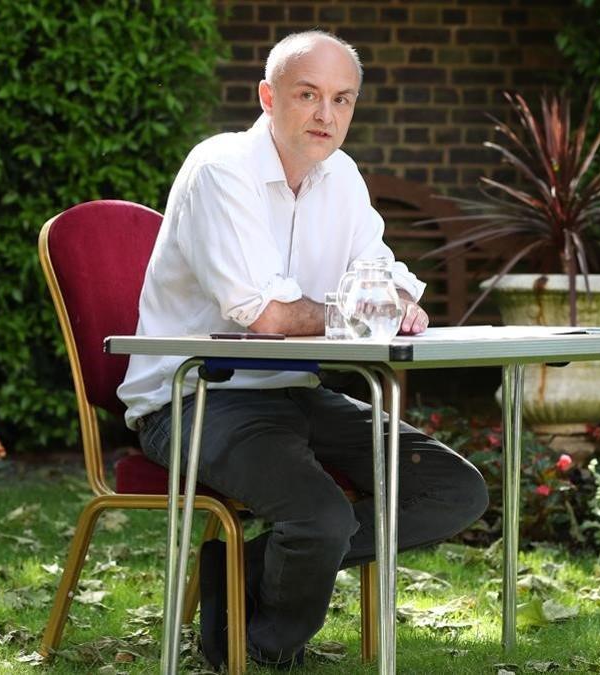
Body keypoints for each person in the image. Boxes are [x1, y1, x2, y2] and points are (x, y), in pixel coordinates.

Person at [116, 31, 489, 669]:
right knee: (320, 519)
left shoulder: (339, 175)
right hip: (197, 397)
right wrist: (364, 310)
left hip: (295, 391)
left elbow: (385, 273)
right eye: (308, 95)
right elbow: (265, 316)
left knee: (454, 491)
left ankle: (241, 572)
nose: (326, 115)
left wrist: (391, 300)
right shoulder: (219, 170)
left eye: (342, 100)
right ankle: (260, 649)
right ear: (268, 97)